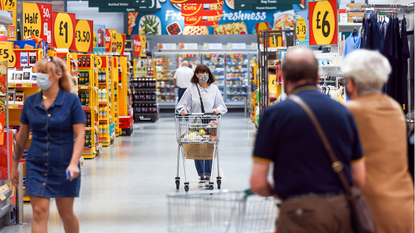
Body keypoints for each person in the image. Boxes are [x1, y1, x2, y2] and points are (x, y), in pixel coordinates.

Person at [250, 47, 365, 233]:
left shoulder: (274, 115)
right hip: (339, 211)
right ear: (318, 77)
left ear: (283, 77)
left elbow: (257, 183)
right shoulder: (344, 113)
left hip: (297, 212)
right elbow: (359, 178)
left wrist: (279, 188)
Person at [10, 57, 86, 233]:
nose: (39, 76)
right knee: (39, 213)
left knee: (65, 214)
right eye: (38, 72)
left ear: (58, 75)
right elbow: (22, 136)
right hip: (36, 165)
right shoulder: (31, 102)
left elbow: (80, 134)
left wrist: (74, 162)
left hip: (65, 165)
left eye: (44, 73)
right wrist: (14, 165)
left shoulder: (71, 101)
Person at [343, 49, 414, 233]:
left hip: (366, 213)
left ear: (350, 84)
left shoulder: (347, 112)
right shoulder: (394, 108)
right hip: (403, 208)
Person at [176, 64, 227, 186]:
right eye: (201, 73)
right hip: (195, 123)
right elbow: (181, 105)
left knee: (209, 148)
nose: (204, 75)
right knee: (197, 148)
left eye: (206, 73)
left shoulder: (214, 89)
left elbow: (222, 106)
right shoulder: (191, 89)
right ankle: (201, 175)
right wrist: (183, 110)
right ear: (197, 75)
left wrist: (217, 110)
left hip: (210, 124)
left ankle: (208, 175)